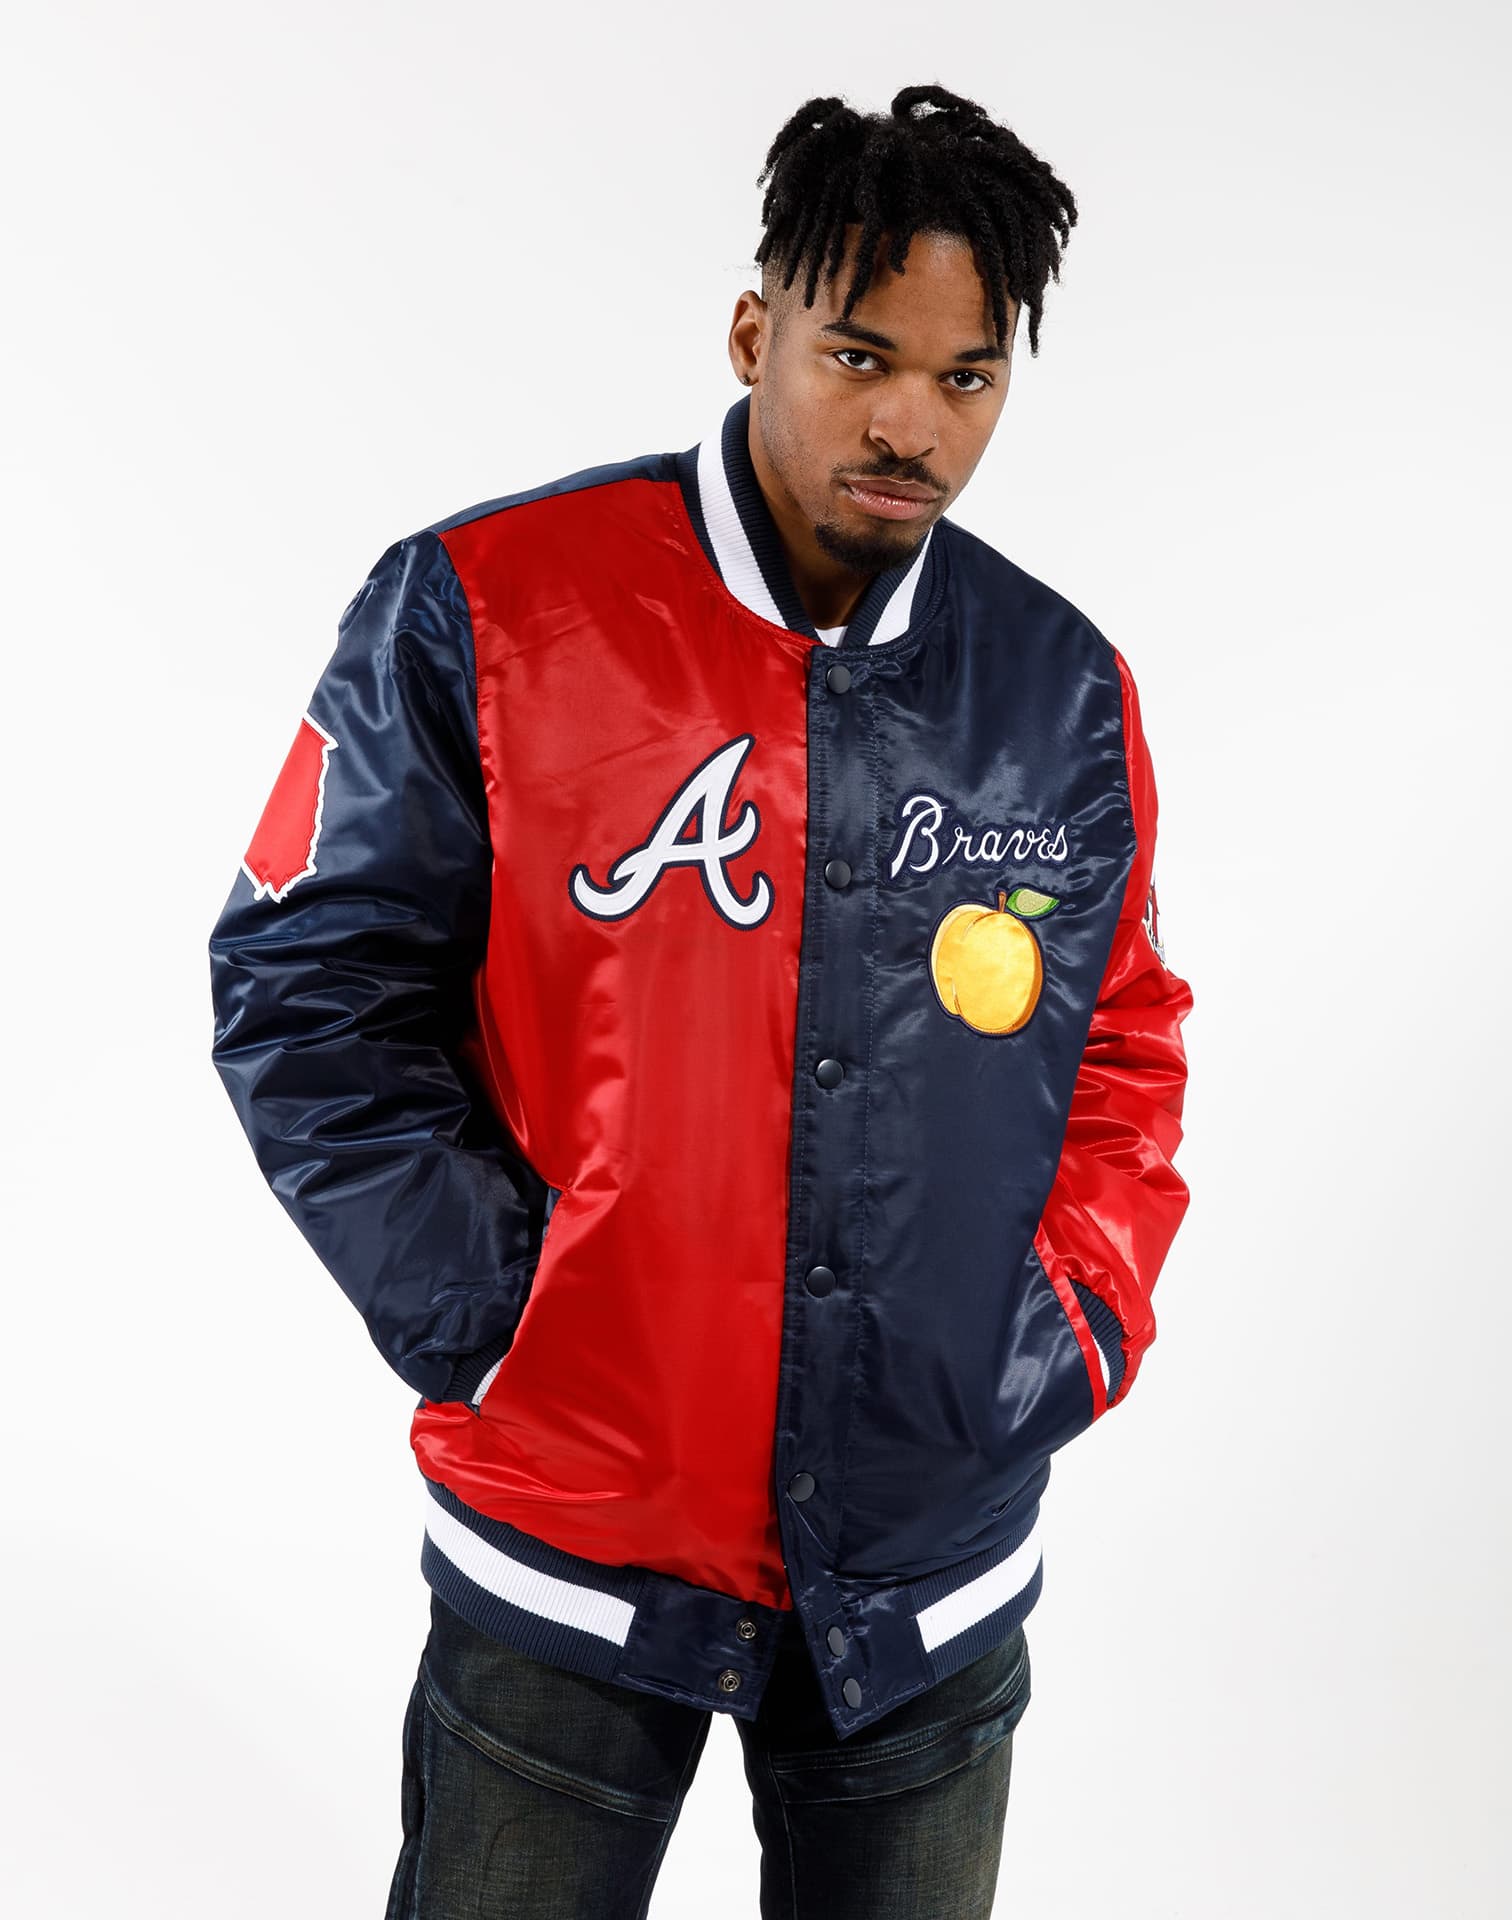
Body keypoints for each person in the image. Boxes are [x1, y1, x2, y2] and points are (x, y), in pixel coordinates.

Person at [208, 81, 1194, 1920]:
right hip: (572, 1552)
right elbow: (302, 987)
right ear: (755, 334)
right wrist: (502, 1321)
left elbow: (1123, 1037)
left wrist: (1066, 1325)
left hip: (928, 1568)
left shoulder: (1061, 690)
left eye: (967, 378)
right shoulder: (488, 608)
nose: (909, 424)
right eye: (859, 355)